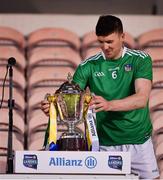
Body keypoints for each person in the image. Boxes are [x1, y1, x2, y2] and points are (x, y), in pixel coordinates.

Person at [41, 15, 159, 179]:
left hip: (138, 142)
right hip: (104, 145)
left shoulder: (140, 59)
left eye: (110, 41)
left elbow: (141, 99)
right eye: (101, 42)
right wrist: (54, 106)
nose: (105, 47)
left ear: (122, 36)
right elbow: (68, 96)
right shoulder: (88, 66)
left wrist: (109, 105)